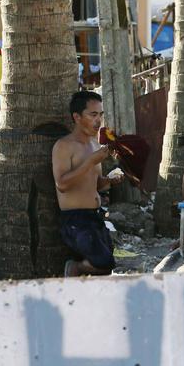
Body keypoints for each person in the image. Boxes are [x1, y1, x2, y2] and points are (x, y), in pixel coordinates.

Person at [52, 91, 125, 277]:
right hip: (75, 219)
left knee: (107, 266)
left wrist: (110, 180)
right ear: (77, 117)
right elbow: (62, 184)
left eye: (101, 114)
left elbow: (96, 184)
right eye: (93, 115)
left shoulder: (94, 145)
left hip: (95, 216)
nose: (98, 120)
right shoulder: (64, 145)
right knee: (103, 262)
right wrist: (91, 161)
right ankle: (75, 268)